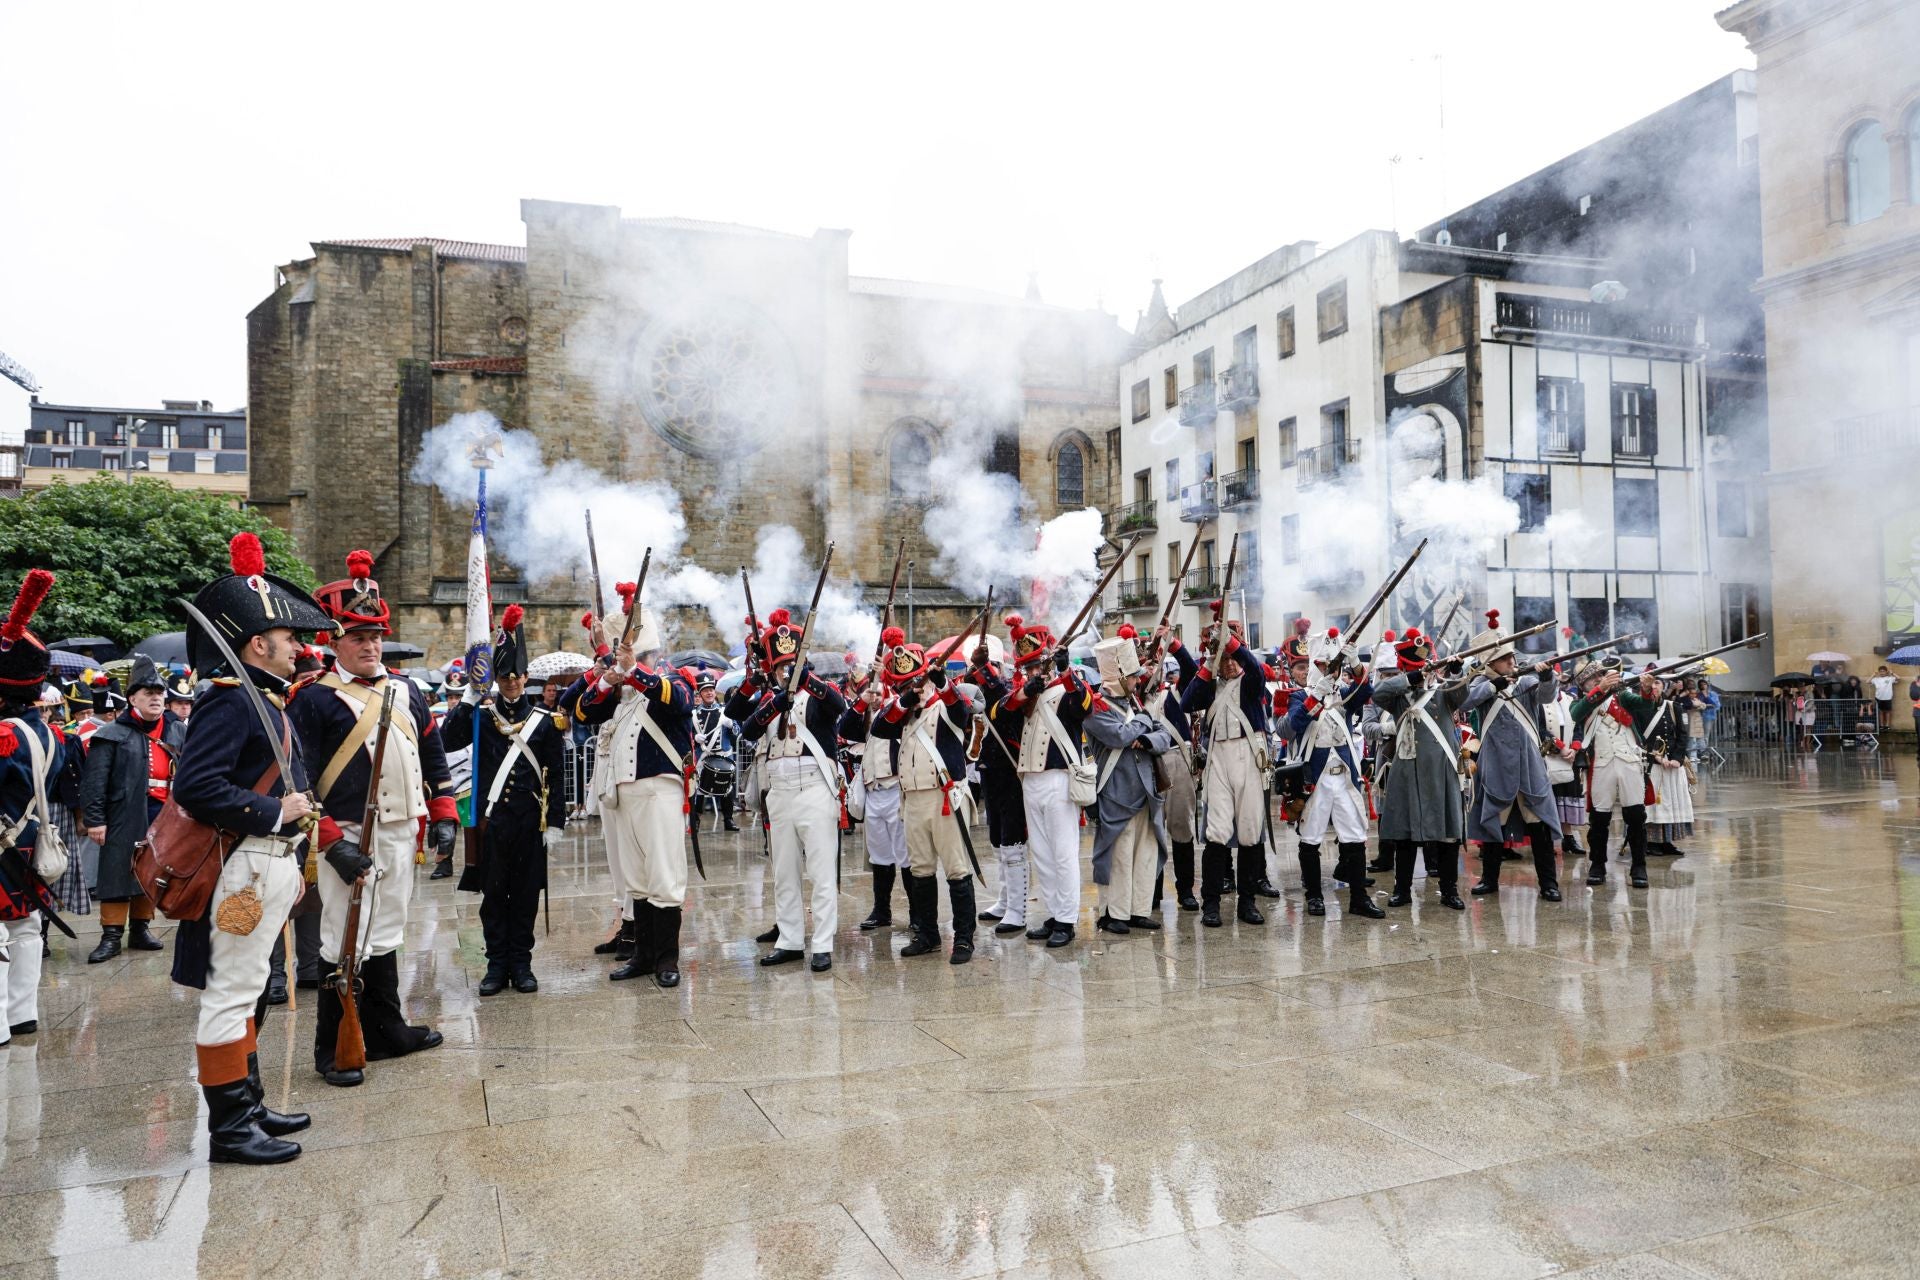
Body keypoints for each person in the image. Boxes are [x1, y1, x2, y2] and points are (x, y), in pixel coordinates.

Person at [173, 533, 336, 1163]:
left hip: (264, 865)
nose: (300, 647)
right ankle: (230, 1129)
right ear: (256, 644)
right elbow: (196, 785)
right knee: (230, 995)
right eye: (289, 638)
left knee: (243, 993)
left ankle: (250, 1101)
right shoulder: (232, 702)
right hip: (242, 868)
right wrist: (276, 809)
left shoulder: (265, 701)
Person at [291, 552, 459, 1083]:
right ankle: (331, 1048)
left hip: (401, 831)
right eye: (359, 637)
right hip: (349, 837)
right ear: (334, 642)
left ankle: (388, 1030)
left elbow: (431, 755)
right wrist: (331, 840)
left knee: (387, 932)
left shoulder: (407, 690)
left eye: (376, 636)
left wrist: (444, 810)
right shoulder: (312, 699)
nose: (371, 646)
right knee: (343, 939)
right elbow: (298, 778)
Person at [446, 607, 569, 995]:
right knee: (494, 894)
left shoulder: (545, 722)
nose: (513, 682)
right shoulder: (482, 718)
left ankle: (522, 962)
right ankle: (496, 964)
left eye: (517, 675)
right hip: (493, 820)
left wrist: (557, 823)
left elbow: (557, 773)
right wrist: (469, 696)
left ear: (527, 677)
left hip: (531, 820)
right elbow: (447, 740)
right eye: (505, 676)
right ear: (496, 679)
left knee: (527, 893)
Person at [572, 599, 694, 988]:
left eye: (641, 654)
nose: (635, 660)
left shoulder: (672, 678)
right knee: (636, 880)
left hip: (659, 789)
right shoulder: (618, 690)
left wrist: (633, 671)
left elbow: (678, 702)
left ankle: (666, 959)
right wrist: (608, 677)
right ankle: (642, 954)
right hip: (621, 791)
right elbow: (580, 711)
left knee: (664, 876)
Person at [727, 608, 847, 973]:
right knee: (784, 872)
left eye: (790, 665)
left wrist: (804, 678)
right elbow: (742, 722)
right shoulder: (770, 700)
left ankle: (823, 942)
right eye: (780, 666)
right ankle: (791, 940)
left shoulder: (819, 692)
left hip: (814, 789)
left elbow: (838, 706)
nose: (784, 672)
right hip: (778, 793)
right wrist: (764, 683)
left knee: (822, 872)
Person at [852, 634, 978, 962]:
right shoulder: (903, 715)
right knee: (920, 870)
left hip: (945, 798)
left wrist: (941, 681)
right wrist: (905, 700)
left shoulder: (945, 706)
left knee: (955, 869)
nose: (916, 688)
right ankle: (927, 933)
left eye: (918, 681)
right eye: (909, 683)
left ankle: (964, 938)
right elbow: (879, 728)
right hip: (913, 800)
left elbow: (960, 710)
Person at [77, 654, 183, 963]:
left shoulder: (177, 732)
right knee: (116, 870)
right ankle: (111, 935)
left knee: (151, 871)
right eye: (148, 693)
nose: (155, 698)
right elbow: (94, 783)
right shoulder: (110, 734)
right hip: (123, 813)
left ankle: (140, 929)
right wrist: (95, 820)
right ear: (132, 698)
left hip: (164, 814)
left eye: (159, 693)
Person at [0, 570, 68, 1048]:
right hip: (29, 840)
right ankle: (21, 1014)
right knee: (25, 928)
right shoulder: (51, 733)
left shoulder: (3, 737)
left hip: (2, 843)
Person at [1001, 614, 1091, 949]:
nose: (1032, 672)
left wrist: (1067, 672)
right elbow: (1000, 712)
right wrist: (1026, 691)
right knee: (1041, 853)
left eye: (1036, 666)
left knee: (1063, 853)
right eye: (1027, 667)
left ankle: (1067, 919)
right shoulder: (1025, 694)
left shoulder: (1067, 687)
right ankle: (1054, 913)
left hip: (1058, 778)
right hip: (1031, 780)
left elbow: (1084, 706)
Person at [1460, 612, 1564, 901]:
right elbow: (1466, 701)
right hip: (1496, 767)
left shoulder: (1524, 682)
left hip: (1529, 765)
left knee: (1539, 825)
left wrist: (1547, 676)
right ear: (1490, 663)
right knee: (1494, 825)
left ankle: (1549, 884)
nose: (1512, 662)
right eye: (1505, 659)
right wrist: (1494, 684)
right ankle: (1489, 879)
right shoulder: (1481, 685)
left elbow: (1545, 697)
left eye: (1512, 658)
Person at [1281, 627, 1381, 919]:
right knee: (1310, 838)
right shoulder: (1300, 697)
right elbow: (1290, 727)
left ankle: (1359, 898)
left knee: (1353, 835)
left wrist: (1355, 663)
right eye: (1323, 665)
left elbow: (1366, 691)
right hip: (1315, 779)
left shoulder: (1343, 695)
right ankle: (1314, 896)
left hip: (1344, 776)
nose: (1329, 670)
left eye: (1331, 665)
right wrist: (1318, 694)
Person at [1370, 628, 1470, 911]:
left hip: (1442, 771)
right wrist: (1412, 677)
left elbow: (1462, 694)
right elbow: (1379, 693)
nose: (1424, 674)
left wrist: (1454, 671)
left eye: (1424, 668)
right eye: (1416, 669)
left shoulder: (1443, 691)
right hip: (1408, 771)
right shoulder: (1400, 695)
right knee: (1404, 836)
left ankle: (1449, 890)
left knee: (1448, 835)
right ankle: (1402, 889)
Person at [1084, 632, 1175, 933]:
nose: (1138, 680)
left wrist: (1145, 737)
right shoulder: (1096, 707)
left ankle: (1138, 910)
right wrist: (1144, 721)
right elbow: (1119, 737)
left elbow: (1164, 735)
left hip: (1146, 791)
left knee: (1146, 853)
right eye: (1133, 676)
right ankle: (1116, 914)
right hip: (1116, 792)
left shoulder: (1135, 704)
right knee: (1120, 856)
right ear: (1119, 676)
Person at [845, 631, 912, 935]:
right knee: (880, 856)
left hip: (898, 788)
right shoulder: (869, 711)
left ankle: (917, 913)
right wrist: (863, 702)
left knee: (907, 856)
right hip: (874, 791)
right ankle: (881, 910)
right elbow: (845, 727)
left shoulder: (902, 706)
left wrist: (883, 690)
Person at [1569, 657, 1657, 888]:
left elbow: (1644, 705)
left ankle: (1639, 866)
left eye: (1600, 675)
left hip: (1629, 761)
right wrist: (1602, 688)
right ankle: (1597, 865)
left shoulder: (1621, 696)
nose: (1600, 679)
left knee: (1636, 817)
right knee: (1599, 819)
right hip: (1601, 765)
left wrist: (1647, 690)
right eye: (1593, 678)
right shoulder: (1581, 702)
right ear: (1583, 684)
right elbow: (1577, 714)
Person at [969, 633, 1030, 935]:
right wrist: (975, 668)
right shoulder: (981, 688)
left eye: (991, 666)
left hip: (1010, 770)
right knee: (996, 841)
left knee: (1012, 843)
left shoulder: (1008, 689)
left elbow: (1001, 699)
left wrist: (985, 670)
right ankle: (1005, 901)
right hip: (989, 768)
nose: (984, 672)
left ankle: (1018, 911)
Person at [1141, 624, 1199, 911]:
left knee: (1181, 827)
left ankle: (1185, 890)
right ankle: (1151, 893)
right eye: (1146, 665)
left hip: (1176, 760)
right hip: (1145, 764)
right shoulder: (1134, 700)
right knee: (1152, 832)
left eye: (1154, 663)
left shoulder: (1175, 693)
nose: (1151, 669)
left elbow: (1192, 668)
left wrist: (1172, 643)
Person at [1642, 675, 1693, 857]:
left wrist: (1677, 759)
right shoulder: (1640, 706)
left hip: (1671, 764)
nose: (1654, 686)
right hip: (1651, 765)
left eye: (1658, 683)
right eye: (1652, 683)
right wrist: (1656, 757)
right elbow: (1638, 738)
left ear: (1664, 687)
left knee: (1671, 804)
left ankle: (1666, 841)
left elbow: (1682, 735)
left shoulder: (1673, 707)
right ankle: (1650, 842)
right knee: (1652, 806)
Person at [1542, 674, 1589, 861]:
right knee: (1550, 799)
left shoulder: (1571, 700)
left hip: (1569, 757)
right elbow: (1539, 728)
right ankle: (1548, 840)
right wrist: (1560, 748)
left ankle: (1568, 839)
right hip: (1548, 755)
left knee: (1568, 796)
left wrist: (1574, 749)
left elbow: (1578, 728)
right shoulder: (1540, 702)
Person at [692, 671, 740, 832]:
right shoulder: (694, 714)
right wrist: (694, 738)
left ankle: (728, 819)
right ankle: (696, 819)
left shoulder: (725, 712)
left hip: (724, 756)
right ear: (700, 693)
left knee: (727, 789)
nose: (709, 692)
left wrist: (731, 725)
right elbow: (687, 736)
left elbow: (737, 733)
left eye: (711, 689)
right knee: (699, 789)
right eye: (705, 690)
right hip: (704, 757)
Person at [1872, 665, 1896, 731]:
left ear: (1886, 672)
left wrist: (1892, 673)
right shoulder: (1876, 679)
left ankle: (1887, 725)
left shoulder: (1890, 678)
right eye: (1881, 671)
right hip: (1878, 698)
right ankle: (1882, 725)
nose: (1882, 672)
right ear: (1879, 672)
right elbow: (1867, 681)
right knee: (1881, 712)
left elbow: (1899, 678)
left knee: (1888, 712)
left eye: (1883, 671)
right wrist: (1873, 675)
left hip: (1887, 698)